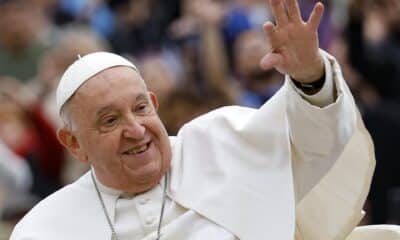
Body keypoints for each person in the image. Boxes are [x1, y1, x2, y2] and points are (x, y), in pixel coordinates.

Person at [10, 0, 375, 239]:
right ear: (73, 143)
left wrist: (309, 74)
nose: (135, 130)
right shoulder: (44, 229)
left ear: (154, 103)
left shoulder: (220, 142)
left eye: (140, 108)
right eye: (109, 120)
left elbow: (317, 141)